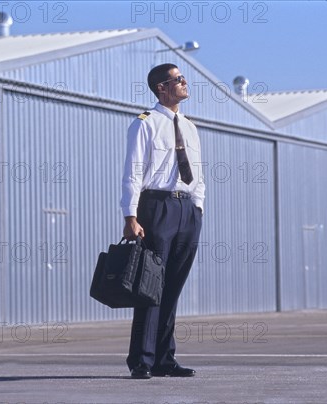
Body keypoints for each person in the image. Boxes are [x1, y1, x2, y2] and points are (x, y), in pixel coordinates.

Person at [120, 63, 205, 379]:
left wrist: (198, 208)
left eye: (184, 79)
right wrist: (131, 215)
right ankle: (142, 360)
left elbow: (198, 173)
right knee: (149, 286)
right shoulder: (145, 123)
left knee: (172, 288)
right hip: (156, 207)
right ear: (161, 87)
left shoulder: (191, 127)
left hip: (186, 211)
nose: (185, 83)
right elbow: (133, 170)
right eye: (178, 79)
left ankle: (164, 359)